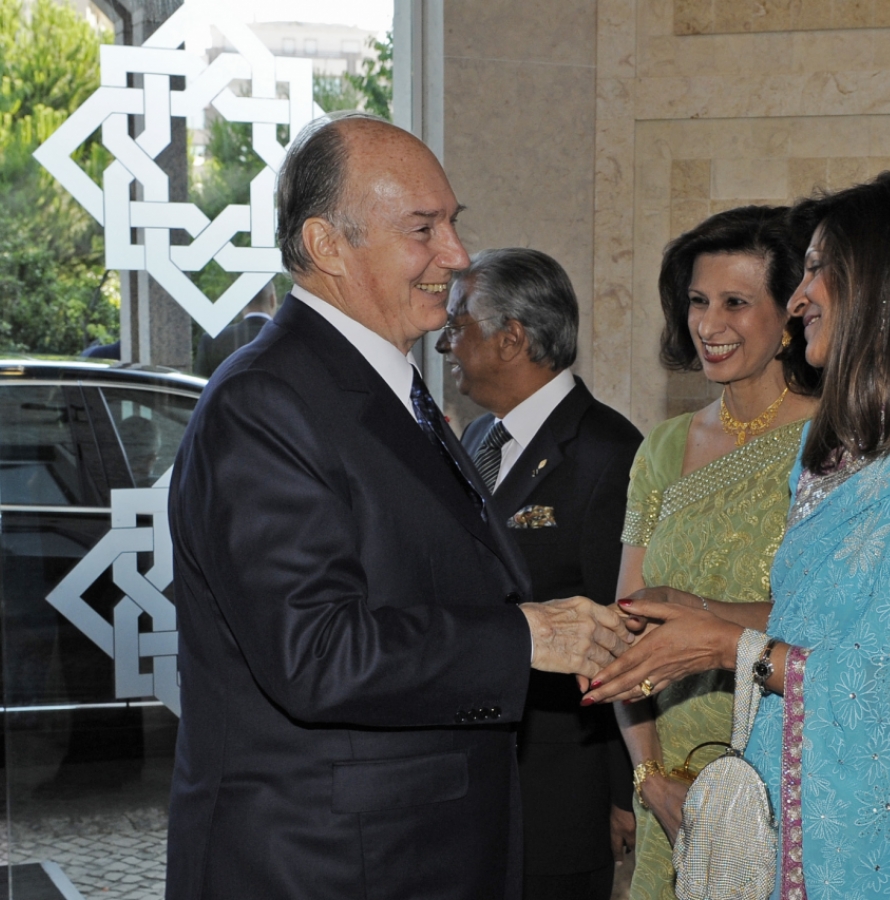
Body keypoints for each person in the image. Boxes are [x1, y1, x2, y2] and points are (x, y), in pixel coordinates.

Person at [166, 112, 632, 900]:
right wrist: (527, 633)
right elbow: (315, 651)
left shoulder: (388, 385)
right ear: (326, 246)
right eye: (423, 229)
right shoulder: (266, 401)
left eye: (453, 224)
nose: (454, 257)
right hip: (327, 864)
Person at [585, 172, 890, 899]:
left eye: (815, 270)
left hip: (887, 844)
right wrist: (702, 613)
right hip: (792, 808)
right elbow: (824, 630)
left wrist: (724, 647)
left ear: (884, 284)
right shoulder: (868, 446)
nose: (800, 298)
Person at [609, 206, 820, 900]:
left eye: (735, 302)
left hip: (784, 789)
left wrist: (704, 618)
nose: (709, 323)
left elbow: (835, 630)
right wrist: (650, 780)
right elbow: (625, 633)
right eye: (698, 301)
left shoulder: (835, 447)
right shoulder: (662, 449)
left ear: (790, 314)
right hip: (670, 797)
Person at [437, 247, 643, 900]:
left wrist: (622, 794)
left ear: (512, 338)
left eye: (458, 324)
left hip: (561, 791)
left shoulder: (608, 453)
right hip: (478, 772)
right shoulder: (477, 439)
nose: (445, 342)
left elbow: (622, 634)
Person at [193, 282, 278, 377]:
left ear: (241, 302)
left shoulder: (211, 341)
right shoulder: (290, 339)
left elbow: (199, 387)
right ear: (272, 300)